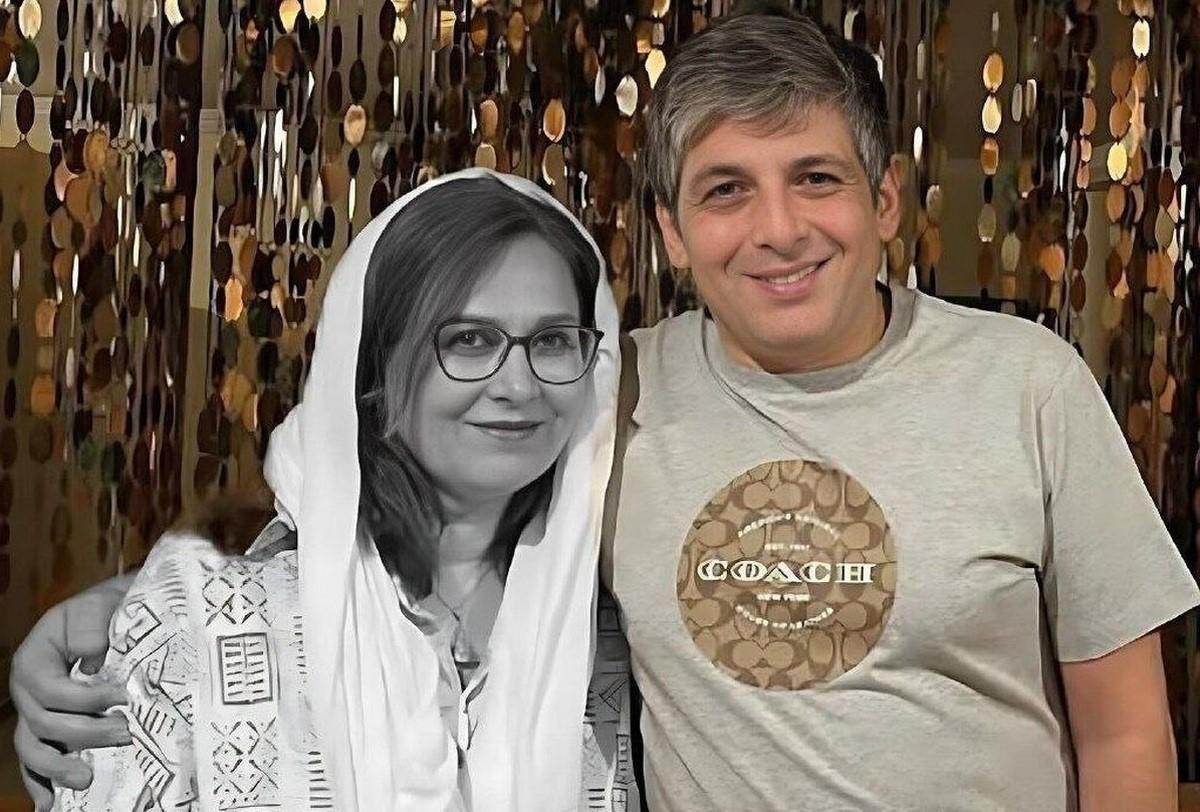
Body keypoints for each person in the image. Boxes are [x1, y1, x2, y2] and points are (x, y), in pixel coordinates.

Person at [11, 6, 1198, 812]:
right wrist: (122, 613)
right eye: (726, 191)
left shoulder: (1030, 384)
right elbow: (389, 501)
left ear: (886, 199)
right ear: (672, 232)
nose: (779, 229)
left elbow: (1127, 729)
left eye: (817, 179)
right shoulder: (602, 389)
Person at [18, 168, 639, 811]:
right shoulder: (199, 616)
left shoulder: (617, 628)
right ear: (374, 363)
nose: (518, 386)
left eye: (553, 341)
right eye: (469, 340)